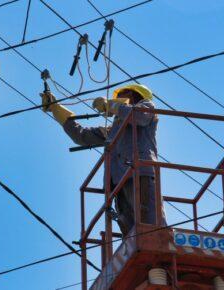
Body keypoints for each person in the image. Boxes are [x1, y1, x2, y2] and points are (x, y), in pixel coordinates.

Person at [41, 84, 164, 236]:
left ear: (133, 96)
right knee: (132, 233)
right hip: (117, 184)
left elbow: (138, 116)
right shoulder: (113, 130)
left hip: (139, 175)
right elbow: (82, 135)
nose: (116, 100)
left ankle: (163, 244)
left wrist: (110, 105)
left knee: (152, 226)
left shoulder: (146, 107)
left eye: (120, 97)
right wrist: (55, 108)